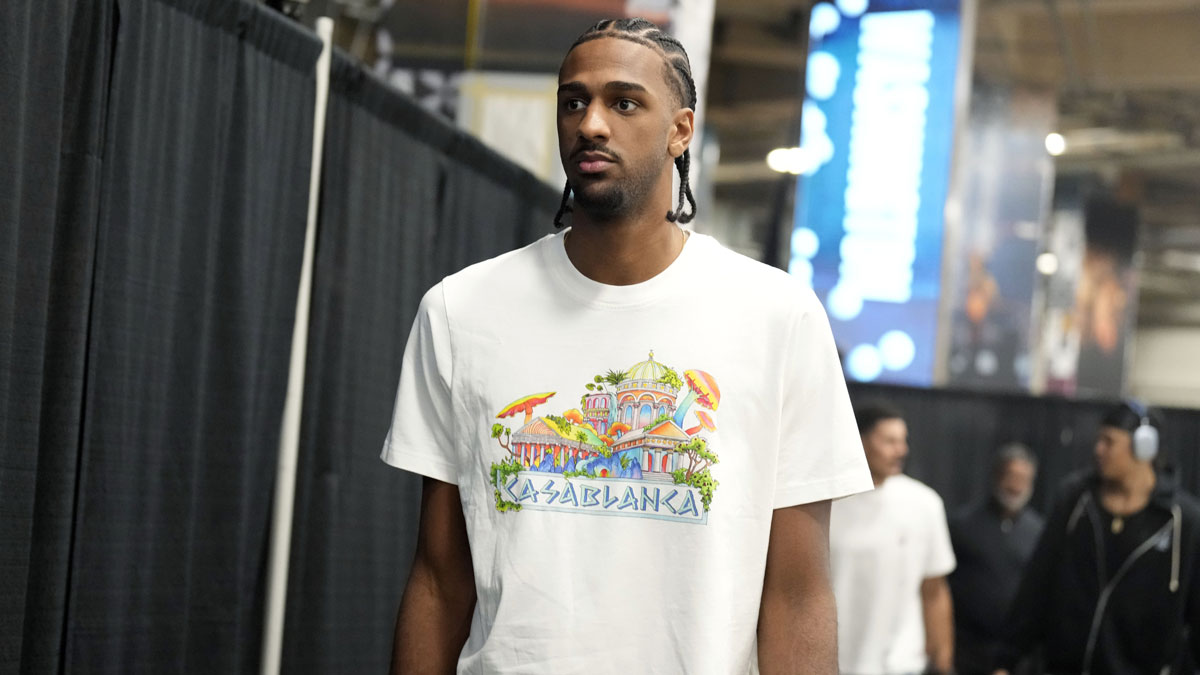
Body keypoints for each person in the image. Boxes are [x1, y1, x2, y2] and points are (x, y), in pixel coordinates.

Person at [381, 17, 873, 675]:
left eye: (624, 101)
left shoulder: (776, 317)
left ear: (681, 130)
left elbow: (797, 592)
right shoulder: (462, 311)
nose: (590, 123)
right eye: (574, 100)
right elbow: (440, 580)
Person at [994, 401, 1200, 675]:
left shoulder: (1182, 519)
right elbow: (1038, 582)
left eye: (1109, 441)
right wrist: (1006, 660)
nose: (1098, 450)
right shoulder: (1076, 499)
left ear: (1144, 447)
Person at [829, 402, 957, 675]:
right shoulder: (826, 504)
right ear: (860, 441)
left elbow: (934, 590)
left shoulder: (925, 503)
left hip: (901, 664)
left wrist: (944, 662)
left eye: (903, 441)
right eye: (889, 441)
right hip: (837, 663)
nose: (901, 450)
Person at [948, 444, 1044, 674]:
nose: (1016, 486)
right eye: (1011, 476)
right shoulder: (963, 525)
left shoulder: (1039, 531)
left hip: (1016, 655)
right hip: (965, 651)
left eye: (1024, 479)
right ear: (996, 476)